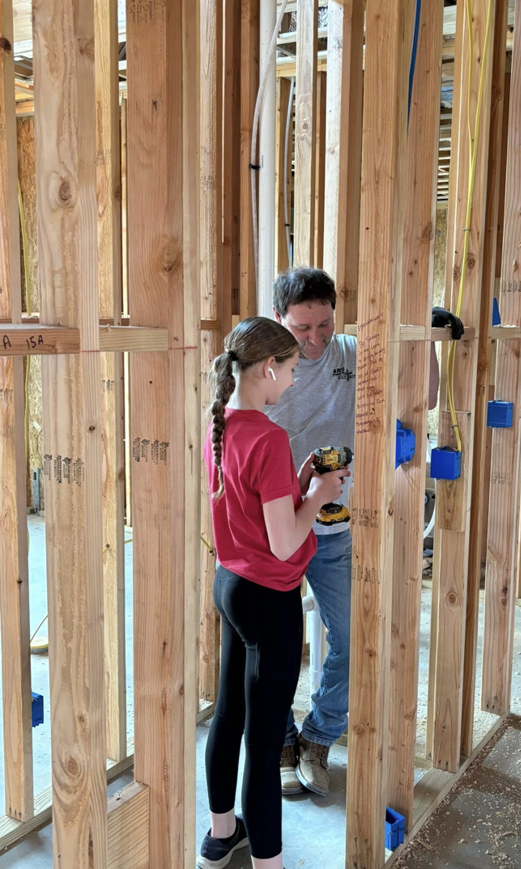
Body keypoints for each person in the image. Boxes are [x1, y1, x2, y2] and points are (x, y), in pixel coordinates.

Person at [267, 267, 463, 797]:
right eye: (302, 328)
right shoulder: (263, 364)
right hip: (275, 532)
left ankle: (318, 736)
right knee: (274, 649)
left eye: (324, 325)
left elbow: (423, 397)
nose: (314, 340)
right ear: (279, 317)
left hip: (334, 528)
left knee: (353, 639)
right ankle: (281, 742)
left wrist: (428, 338)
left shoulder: (353, 353)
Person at [198, 316, 349, 869]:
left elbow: (255, 508)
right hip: (269, 596)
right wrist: (321, 492)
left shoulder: (224, 423)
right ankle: (270, 862)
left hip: (231, 587)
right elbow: (286, 543)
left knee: (229, 718)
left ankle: (221, 836)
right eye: (289, 371)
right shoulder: (269, 435)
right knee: (265, 746)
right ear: (268, 368)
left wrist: (299, 482)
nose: (291, 382)